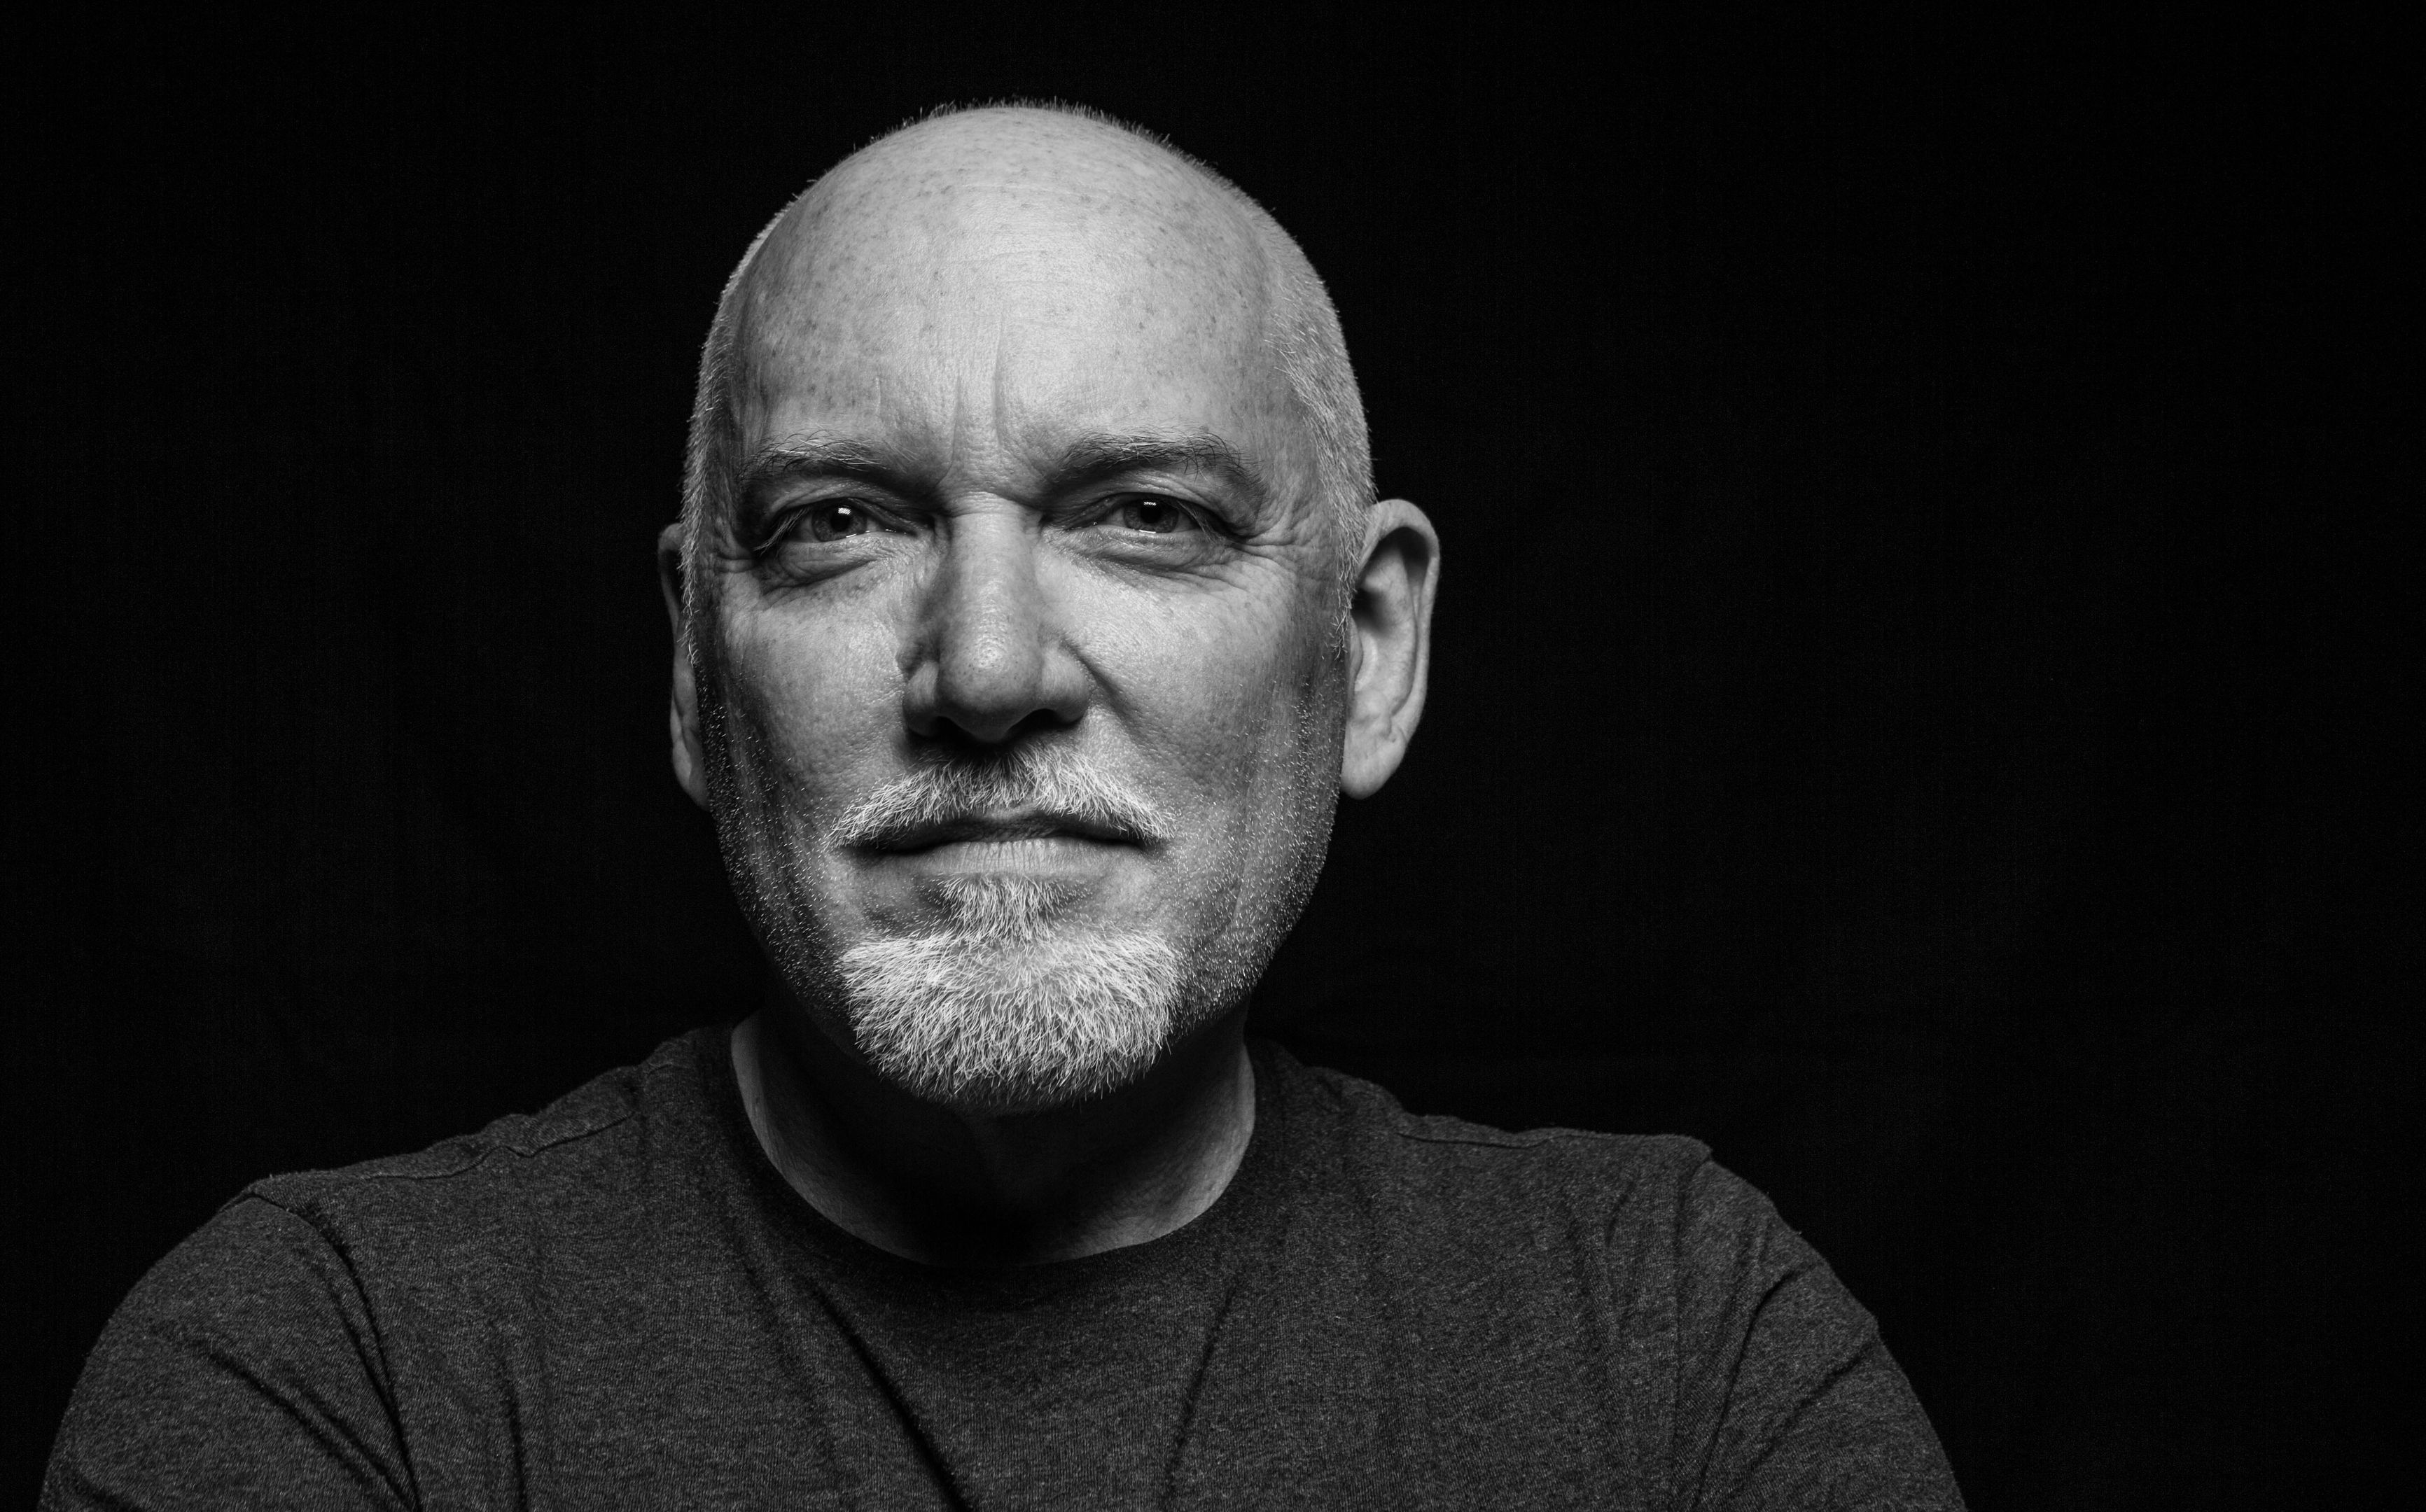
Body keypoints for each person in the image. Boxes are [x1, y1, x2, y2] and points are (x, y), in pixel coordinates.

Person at [44, 104, 1964, 1508]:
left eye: (1146, 517)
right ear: (696, 671)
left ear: (1367, 649)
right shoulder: (337, 1371)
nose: (984, 669)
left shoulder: (1676, 1352)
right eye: (840, 523)